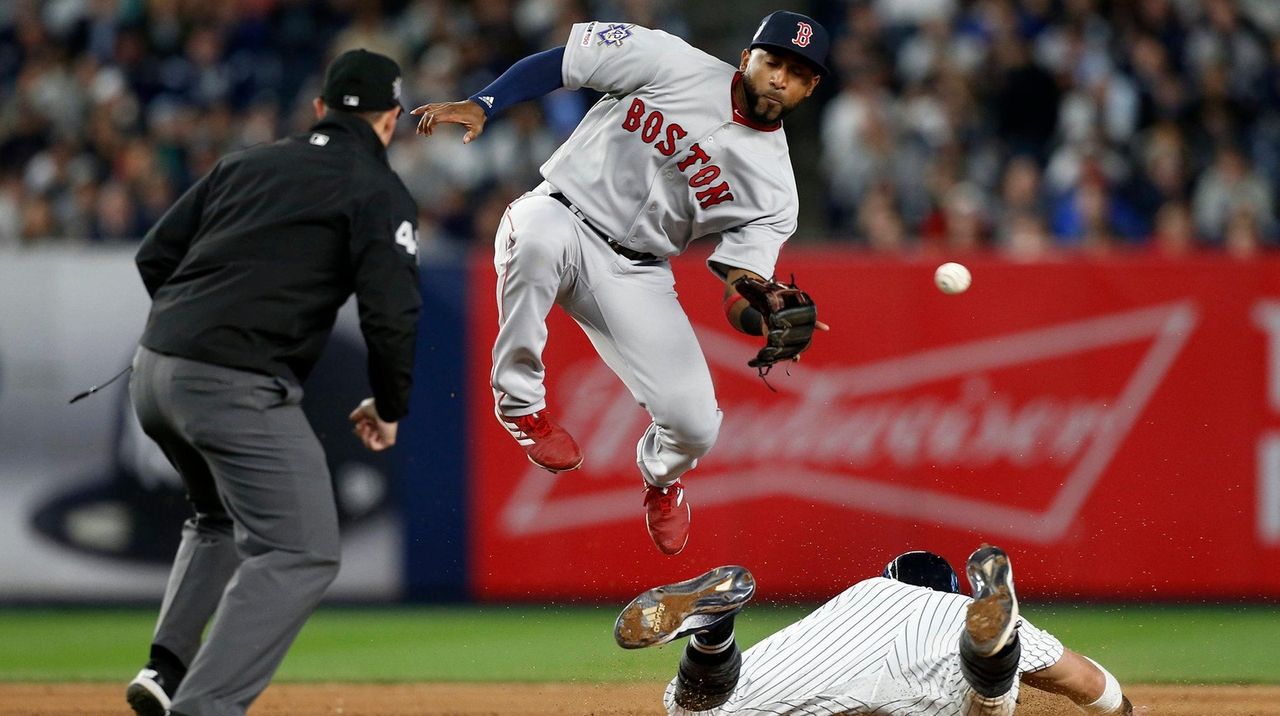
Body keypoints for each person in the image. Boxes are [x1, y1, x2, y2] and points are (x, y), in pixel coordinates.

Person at [412, 11, 829, 556]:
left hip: (636, 272)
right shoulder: (669, 59)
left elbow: (739, 283)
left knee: (696, 424)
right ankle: (519, 405)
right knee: (535, 238)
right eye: (773, 61)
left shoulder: (775, 189)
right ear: (748, 56)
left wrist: (765, 308)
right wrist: (485, 102)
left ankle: (662, 479)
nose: (780, 79)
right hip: (559, 213)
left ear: (812, 86)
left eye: (797, 73)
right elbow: (565, 63)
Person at [124, 49, 421, 716]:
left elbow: (154, 255)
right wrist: (391, 402)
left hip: (153, 371)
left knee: (218, 517)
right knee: (303, 548)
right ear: (390, 121)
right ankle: (205, 708)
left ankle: (166, 670)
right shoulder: (377, 190)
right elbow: (391, 314)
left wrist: (185, 331)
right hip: (231, 382)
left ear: (319, 109)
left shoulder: (246, 162)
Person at [614, 545, 1134, 716]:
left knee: (695, 710)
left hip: (834, 655)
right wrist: (1125, 709)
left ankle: (715, 635)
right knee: (986, 702)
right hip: (939, 660)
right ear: (955, 590)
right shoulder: (953, 608)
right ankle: (990, 660)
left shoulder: (860, 595)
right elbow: (1084, 681)